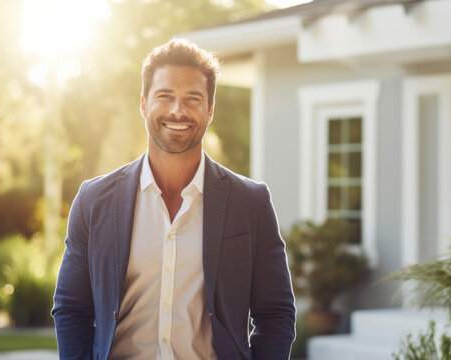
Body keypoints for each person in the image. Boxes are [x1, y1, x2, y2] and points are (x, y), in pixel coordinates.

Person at [52, 39, 296, 360]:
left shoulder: (250, 202)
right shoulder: (94, 200)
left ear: (209, 110)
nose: (177, 110)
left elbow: (275, 313)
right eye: (164, 96)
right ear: (143, 105)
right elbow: (71, 308)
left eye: (192, 99)